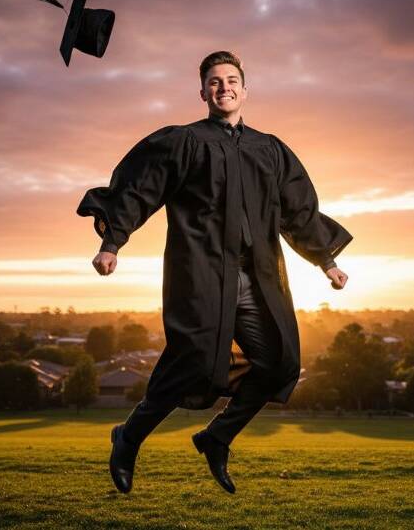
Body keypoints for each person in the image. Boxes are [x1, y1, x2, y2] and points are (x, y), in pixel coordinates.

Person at [77, 50, 352, 494]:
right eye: (213, 81)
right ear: (202, 91)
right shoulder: (183, 142)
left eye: (231, 80)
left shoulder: (271, 150)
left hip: (258, 278)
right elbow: (137, 190)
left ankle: (217, 436)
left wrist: (328, 262)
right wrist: (111, 244)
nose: (223, 87)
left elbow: (299, 211)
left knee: (281, 360)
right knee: (194, 363)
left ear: (245, 88)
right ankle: (128, 437)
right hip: (202, 275)